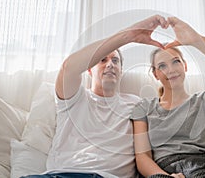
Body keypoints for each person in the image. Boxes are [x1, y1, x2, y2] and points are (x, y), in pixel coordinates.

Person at [21, 15, 169, 178]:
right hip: (62, 174)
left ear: (121, 70)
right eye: (102, 60)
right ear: (90, 69)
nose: (110, 64)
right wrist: (129, 35)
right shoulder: (74, 97)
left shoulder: (135, 103)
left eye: (115, 60)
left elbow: (145, 154)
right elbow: (68, 68)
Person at [131, 17, 205, 178]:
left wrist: (199, 41)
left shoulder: (204, 101)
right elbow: (142, 157)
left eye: (175, 62)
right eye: (162, 66)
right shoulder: (144, 108)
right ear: (155, 74)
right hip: (164, 170)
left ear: (185, 66)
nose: (171, 70)